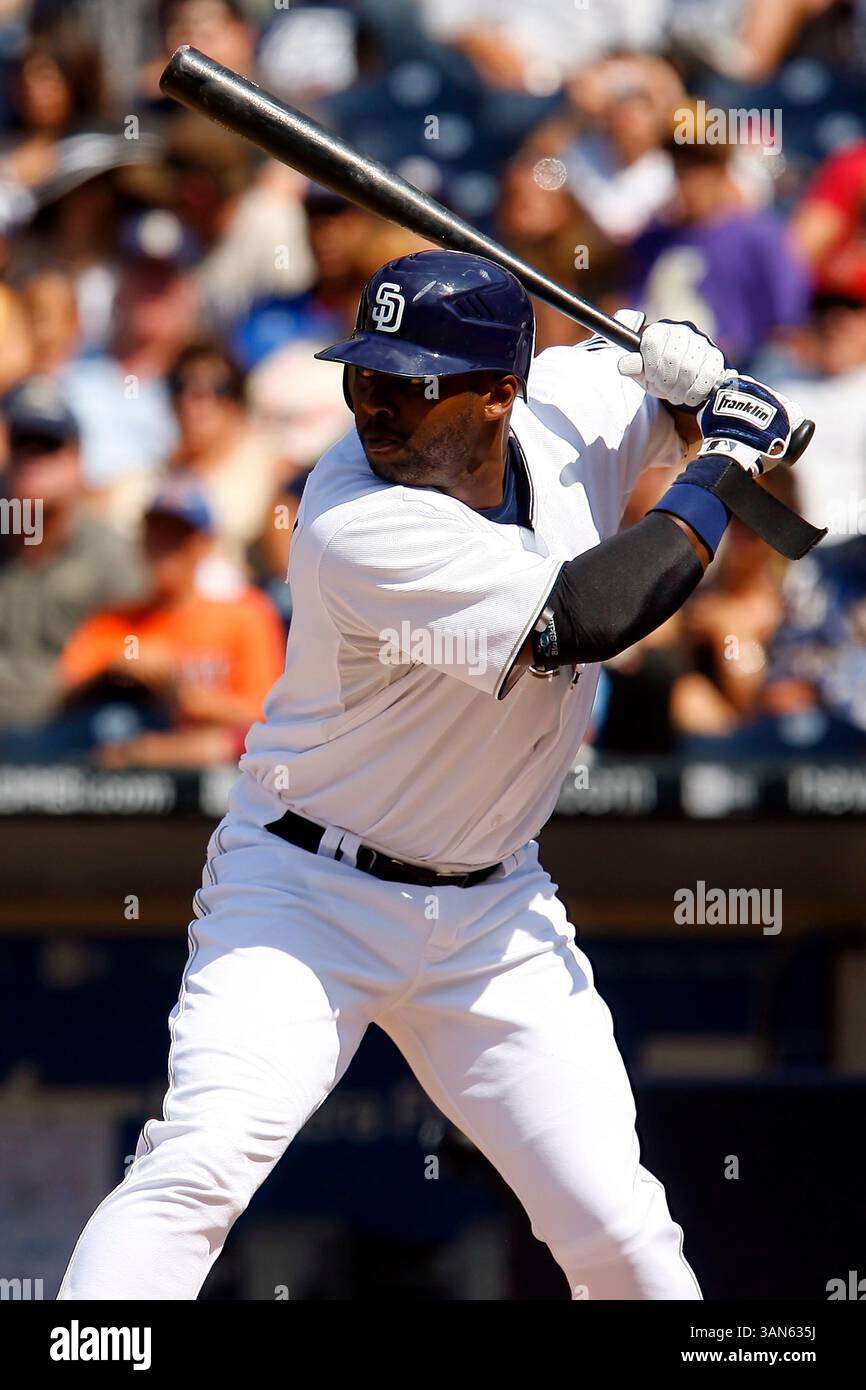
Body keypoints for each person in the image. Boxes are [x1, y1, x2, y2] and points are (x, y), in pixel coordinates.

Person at [57, 249, 809, 1301]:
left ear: (501, 393)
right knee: (195, 1170)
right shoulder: (353, 516)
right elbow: (588, 615)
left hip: (491, 914)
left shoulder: (566, 403)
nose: (377, 409)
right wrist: (721, 461)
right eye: (363, 378)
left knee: (619, 1233)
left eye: (409, 386)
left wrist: (691, 378)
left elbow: (635, 379)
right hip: (305, 894)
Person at [59, 477, 286, 768]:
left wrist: (190, 698)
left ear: (204, 544)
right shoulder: (115, 621)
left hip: (224, 778)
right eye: (156, 534)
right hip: (124, 783)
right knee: (110, 722)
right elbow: (62, 696)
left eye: (177, 537)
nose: (164, 548)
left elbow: (272, 718)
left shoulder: (245, 613)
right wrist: (116, 667)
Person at [0, 374, 146, 729]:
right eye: (23, 446)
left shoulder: (110, 554)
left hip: (72, 731)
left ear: (77, 460)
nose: (33, 460)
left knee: (116, 722)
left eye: (48, 447)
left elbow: (137, 654)